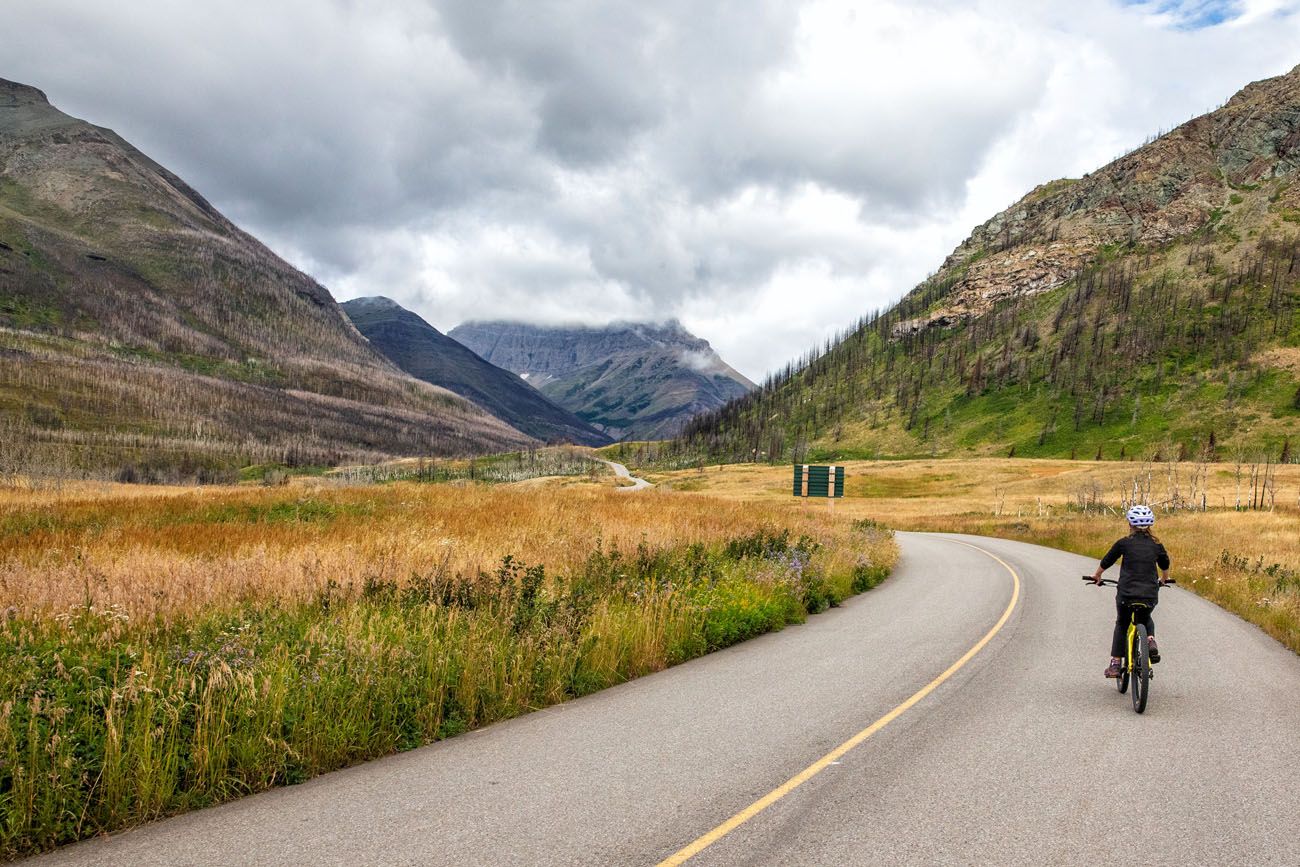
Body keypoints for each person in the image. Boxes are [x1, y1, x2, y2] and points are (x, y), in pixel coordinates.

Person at [1091, 505, 1171, 678]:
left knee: (1122, 623)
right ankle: (1150, 640)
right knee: (1146, 617)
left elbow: (1107, 560)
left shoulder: (1123, 543)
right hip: (1149, 592)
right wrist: (1163, 580)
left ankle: (1115, 664)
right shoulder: (1157, 545)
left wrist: (1097, 576)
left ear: (1130, 523)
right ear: (1150, 525)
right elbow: (1165, 564)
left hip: (1126, 593)